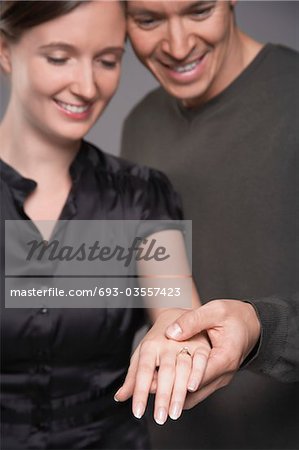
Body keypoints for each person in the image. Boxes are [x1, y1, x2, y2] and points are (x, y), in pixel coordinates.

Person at [0, 1, 211, 448]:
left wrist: (177, 339)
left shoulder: (140, 194)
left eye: (107, 61)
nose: (87, 85)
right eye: (59, 58)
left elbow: (176, 312)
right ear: (4, 49)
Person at [120, 0, 299, 448]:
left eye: (199, 11)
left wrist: (262, 329)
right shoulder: (138, 125)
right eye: (148, 20)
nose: (178, 46)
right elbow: (153, 286)